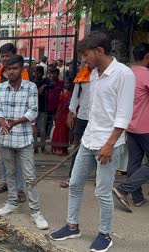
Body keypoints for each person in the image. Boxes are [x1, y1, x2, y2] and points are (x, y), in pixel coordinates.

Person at [50, 31, 135, 252]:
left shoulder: (123, 75)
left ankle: (105, 234)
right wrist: (86, 136)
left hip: (109, 143)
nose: (83, 60)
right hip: (89, 139)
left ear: (99, 51)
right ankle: (72, 226)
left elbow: (124, 114)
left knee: (102, 191)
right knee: (75, 183)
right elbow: (95, 110)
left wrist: (109, 144)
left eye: (86, 55)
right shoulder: (94, 74)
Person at [0, 55, 49, 230]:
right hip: (6, 137)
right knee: (10, 174)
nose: (11, 72)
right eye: (8, 69)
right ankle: (12, 202)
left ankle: (36, 212)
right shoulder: (1, 88)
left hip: (24, 138)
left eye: (15, 68)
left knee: (29, 175)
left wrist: (15, 123)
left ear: (21, 70)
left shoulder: (30, 87)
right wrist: (2, 122)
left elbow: (33, 111)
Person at [113, 43, 149, 211]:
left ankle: (138, 197)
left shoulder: (127, 73)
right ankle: (123, 189)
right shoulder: (146, 75)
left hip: (130, 125)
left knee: (134, 162)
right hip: (145, 126)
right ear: (147, 56)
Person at [0, 43, 26, 202]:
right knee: (5, 155)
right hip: (2, 121)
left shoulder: (23, 76)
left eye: (7, 56)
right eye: (3, 56)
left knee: (17, 156)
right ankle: (6, 182)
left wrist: (18, 121)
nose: (5, 59)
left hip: (18, 122)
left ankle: (18, 189)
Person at [59, 66, 92, 188]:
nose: (85, 59)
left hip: (99, 119)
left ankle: (100, 180)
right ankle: (72, 177)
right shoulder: (83, 74)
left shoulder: (105, 73)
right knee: (77, 148)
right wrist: (71, 113)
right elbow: (76, 96)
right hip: (82, 117)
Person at [51, 79, 72, 155]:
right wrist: (57, 113)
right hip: (60, 113)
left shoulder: (70, 93)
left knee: (64, 131)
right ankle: (56, 148)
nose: (67, 85)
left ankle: (63, 149)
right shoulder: (61, 92)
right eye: (66, 83)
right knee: (57, 130)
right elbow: (58, 104)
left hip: (66, 114)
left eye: (68, 83)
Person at [45, 68, 63, 139]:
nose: (53, 75)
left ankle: (57, 137)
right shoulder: (47, 82)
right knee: (48, 121)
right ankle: (47, 135)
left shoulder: (61, 83)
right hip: (48, 105)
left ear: (58, 74)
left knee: (57, 121)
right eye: (52, 73)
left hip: (58, 106)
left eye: (55, 73)